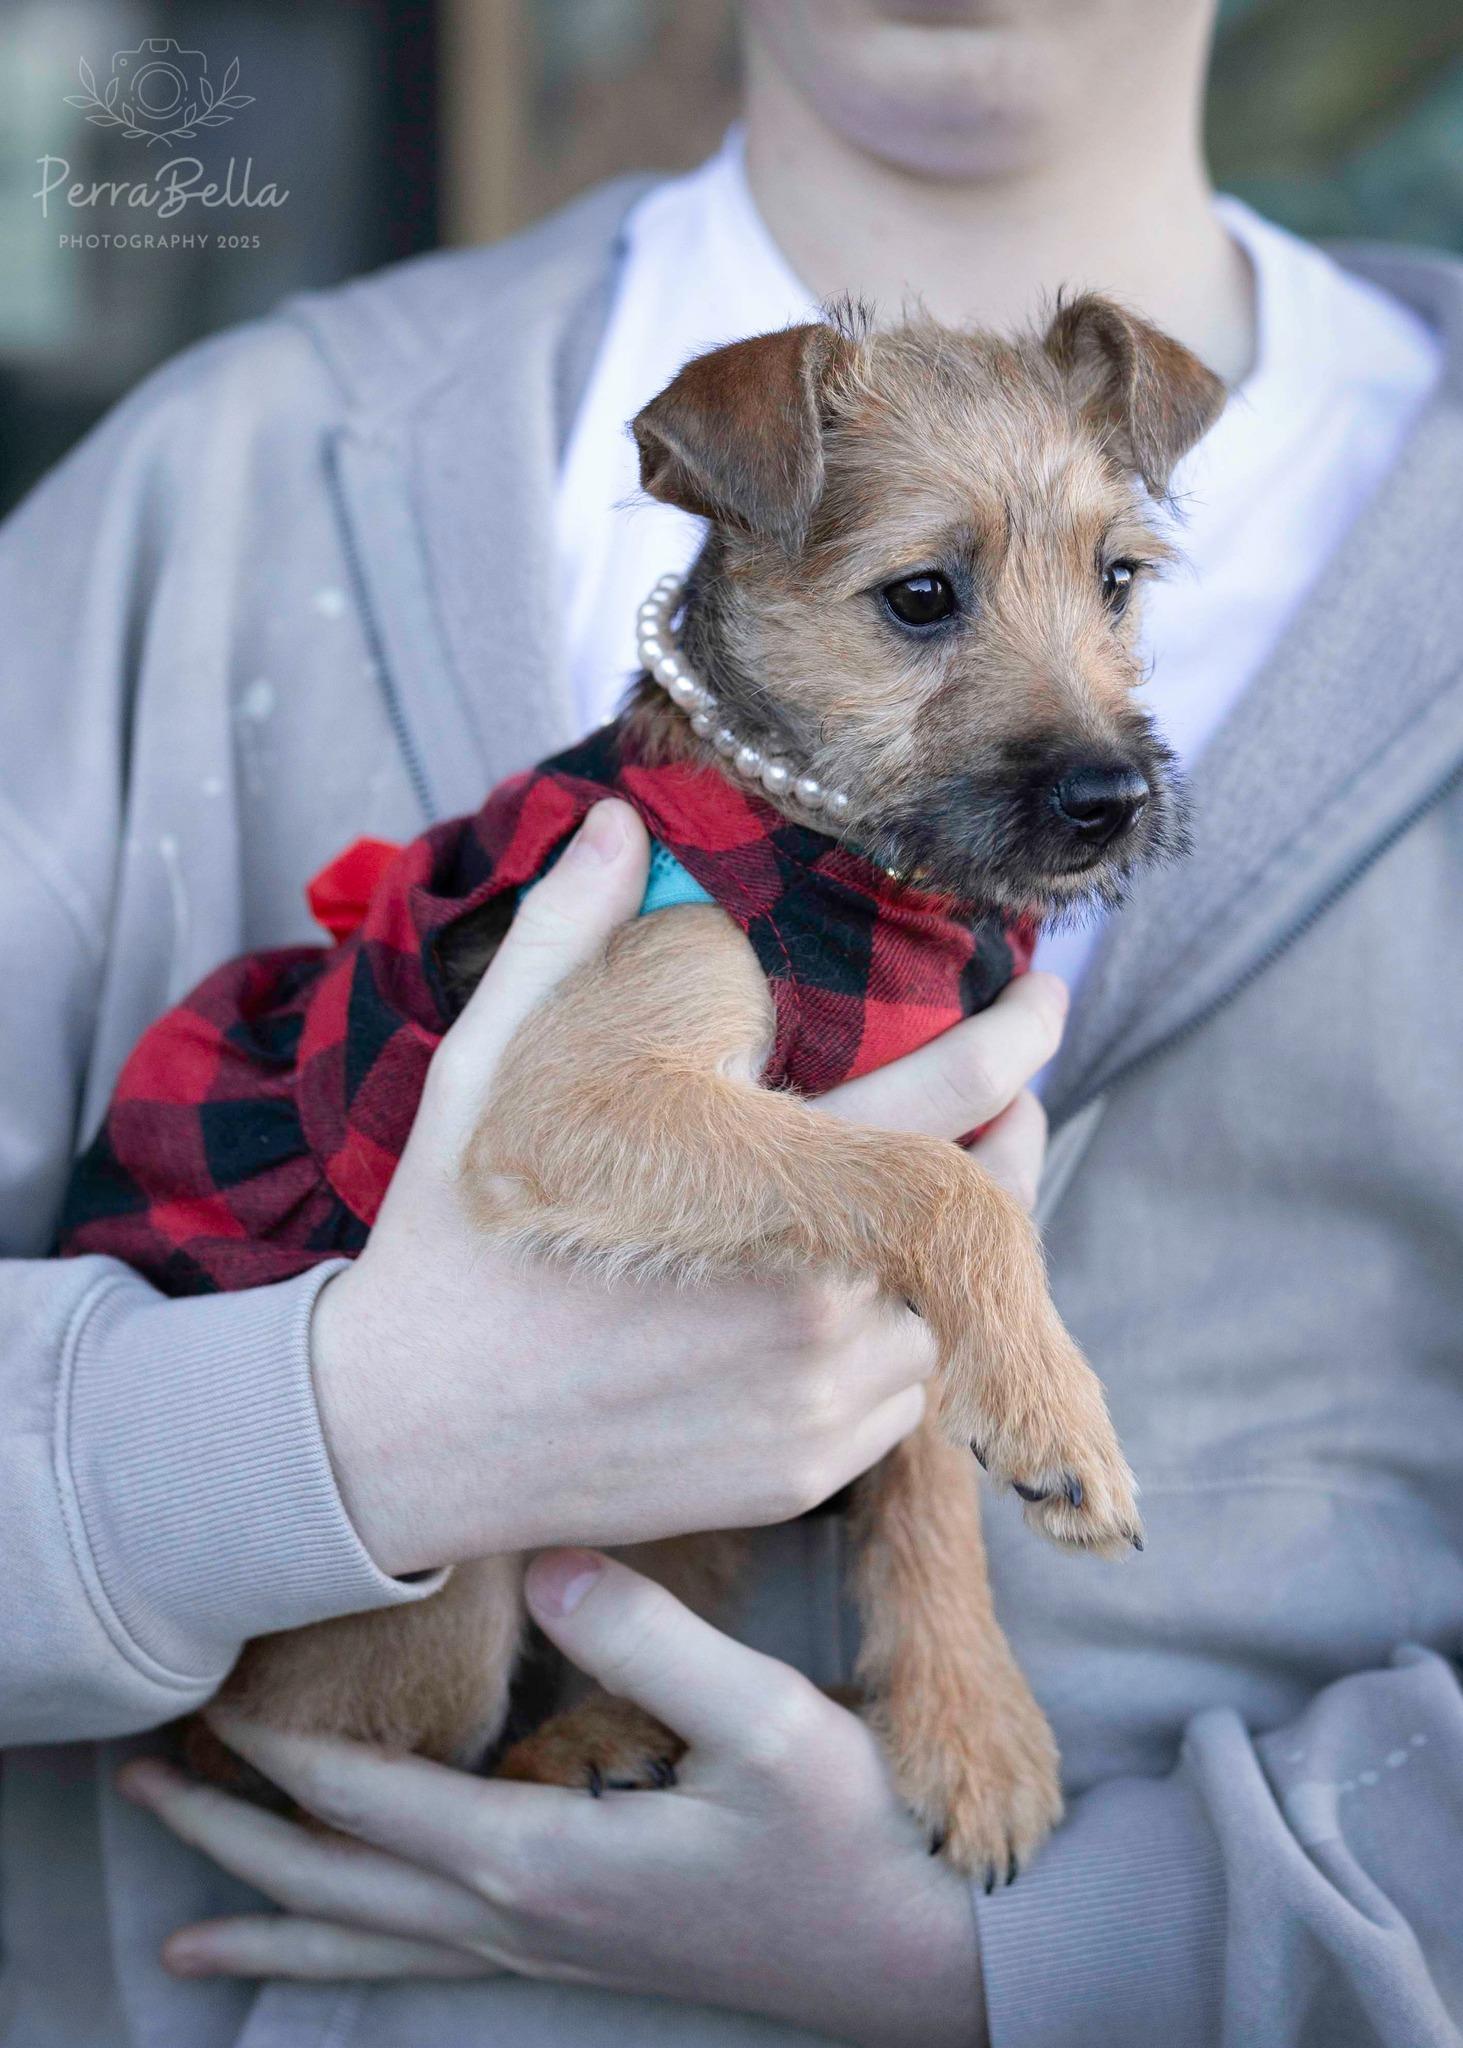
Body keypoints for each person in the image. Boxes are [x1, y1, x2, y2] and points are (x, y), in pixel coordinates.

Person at [1, 1, 1460, 2043]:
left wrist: (1045, 1957)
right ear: (734, 529)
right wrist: (326, 1436)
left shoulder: (913, 880)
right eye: (926, 603)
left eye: (1119, 583)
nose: (1079, 702)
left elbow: (870, 1305)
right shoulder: (221, 483)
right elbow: (650, 1155)